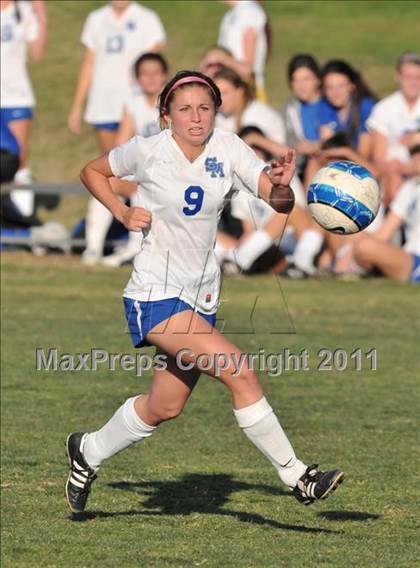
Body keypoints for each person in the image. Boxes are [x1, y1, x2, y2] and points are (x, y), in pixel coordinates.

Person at [65, 70, 344, 515]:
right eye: (184, 109)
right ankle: (298, 476)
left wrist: (282, 183)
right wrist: (121, 209)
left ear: (216, 110)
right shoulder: (149, 150)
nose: (195, 118)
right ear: (166, 115)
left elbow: (281, 204)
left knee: (164, 406)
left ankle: (88, 451)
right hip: (154, 292)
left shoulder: (229, 147)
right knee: (240, 370)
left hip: (201, 296)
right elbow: (92, 171)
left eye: (204, 108)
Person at [69, 0, 166, 265]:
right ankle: (95, 248)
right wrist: (78, 105)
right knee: (106, 176)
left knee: (139, 181)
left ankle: (139, 246)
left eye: (155, 74)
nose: (149, 77)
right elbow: (88, 63)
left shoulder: (170, 104)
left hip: (165, 174)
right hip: (105, 106)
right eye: (144, 74)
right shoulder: (133, 106)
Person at [0, 0, 47, 214]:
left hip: (16, 97)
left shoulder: (24, 10)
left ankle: (23, 220)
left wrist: (41, 14)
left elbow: (37, 55)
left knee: (18, 160)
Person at [354, 143, 420, 283]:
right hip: (410, 257)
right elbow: (384, 233)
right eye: (413, 156)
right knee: (357, 238)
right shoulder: (410, 187)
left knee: (365, 246)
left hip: (415, 261)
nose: (414, 160)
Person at [367, 51, 420, 206]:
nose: (413, 82)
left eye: (418, 77)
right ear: (398, 76)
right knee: (393, 181)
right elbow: (379, 158)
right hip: (393, 173)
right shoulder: (383, 109)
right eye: (408, 77)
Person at [214, 67, 286, 145]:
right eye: (217, 94)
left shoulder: (263, 114)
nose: (220, 99)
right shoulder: (218, 118)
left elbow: (283, 150)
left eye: (225, 93)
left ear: (240, 92)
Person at [217, 1, 270, 101]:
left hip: (246, 92)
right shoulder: (232, 14)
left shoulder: (249, 11)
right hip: (232, 90)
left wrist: (219, 57)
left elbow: (247, 68)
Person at [281, 54, 323, 178]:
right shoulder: (289, 109)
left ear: (317, 80)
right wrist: (298, 148)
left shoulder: (330, 103)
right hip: (301, 167)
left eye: (306, 79)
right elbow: (285, 142)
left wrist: (318, 146)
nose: (301, 86)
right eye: (296, 80)